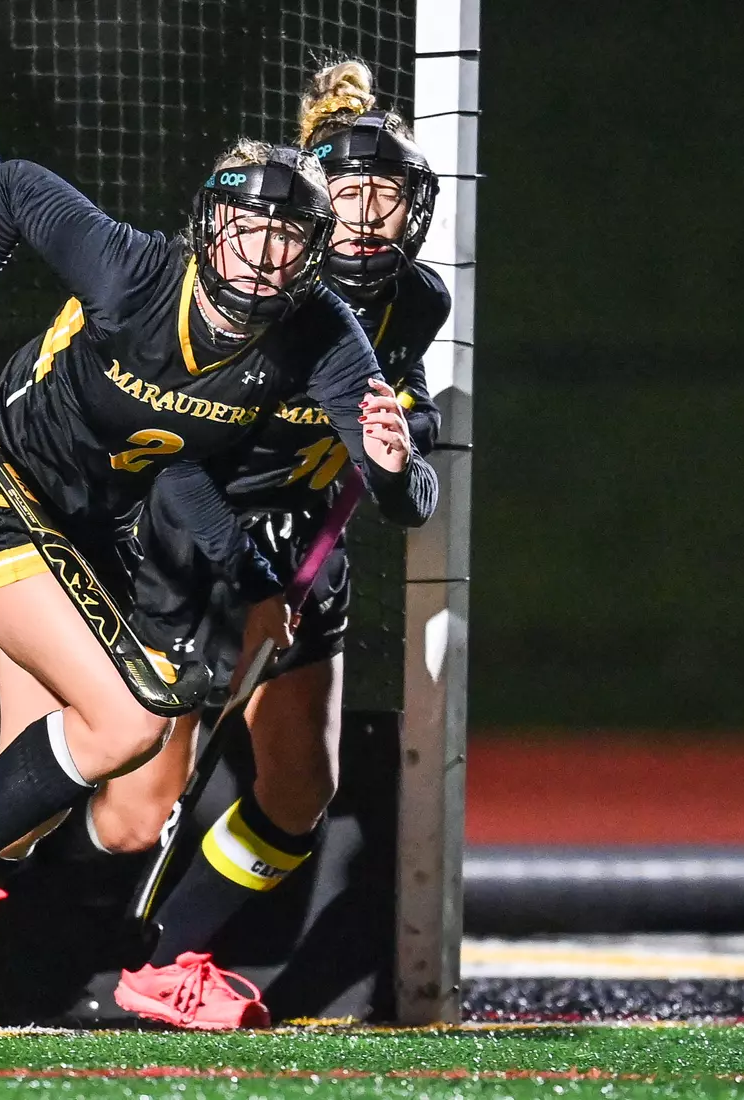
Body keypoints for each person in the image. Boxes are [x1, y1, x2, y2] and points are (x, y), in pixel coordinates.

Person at [0, 141, 438, 1030]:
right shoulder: (135, 271)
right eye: (245, 229)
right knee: (128, 721)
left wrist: (398, 466)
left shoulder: (326, 332)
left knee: (24, 801)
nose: (260, 253)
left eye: (286, 237)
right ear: (208, 229)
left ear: (312, 251)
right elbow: (18, 183)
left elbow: (405, 499)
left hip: (100, 536)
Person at [103, 59, 453, 1030]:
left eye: (389, 194)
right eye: (350, 193)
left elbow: (404, 471)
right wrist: (242, 566)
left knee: (300, 787)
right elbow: (167, 447)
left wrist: (396, 447)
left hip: (299, 551)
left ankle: (169, 955)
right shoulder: (249, 287)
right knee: (136, 806)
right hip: (185, 535)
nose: (371, 215)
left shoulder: (413, 302)